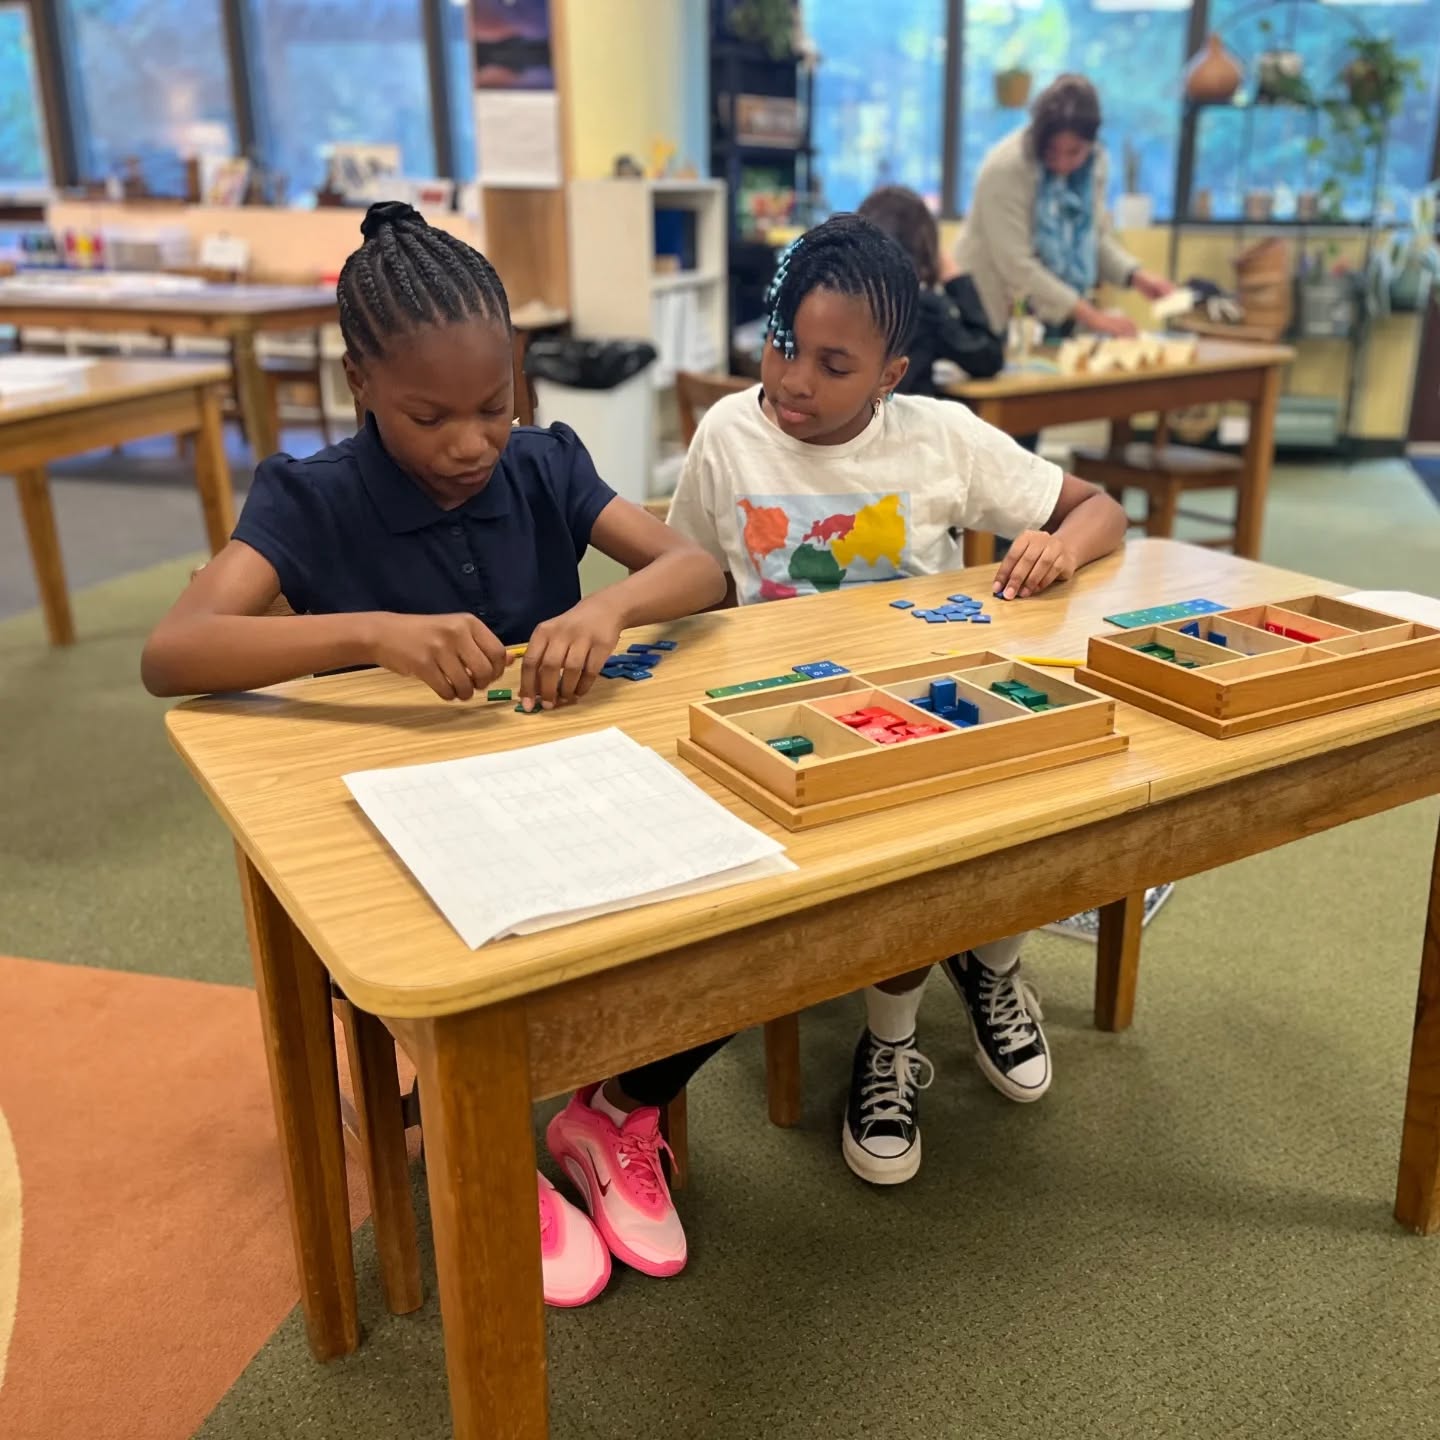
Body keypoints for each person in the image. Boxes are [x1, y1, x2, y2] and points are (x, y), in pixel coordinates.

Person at [141, 200, 728, 1308]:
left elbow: (698, 571)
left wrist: (608, 614)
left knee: (745, 914)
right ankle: (492, 1149)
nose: (467, 443)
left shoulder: (544, 466)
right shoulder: (309, 501)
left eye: (491, 407)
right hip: (397, 832)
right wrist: (369, 634)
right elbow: (174, 652)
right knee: (472, 969)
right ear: (359, 380)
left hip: (565, 794)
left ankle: (615, 1109)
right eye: (429, 416)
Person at [665, 213, 1128, 1186]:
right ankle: (910, 1018)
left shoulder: (941, 438)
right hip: (781, 721)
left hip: (918, 704)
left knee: (1028, 791)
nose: (795, 379)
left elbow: (1098, 507)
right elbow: (687, 577)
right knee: (897, 837)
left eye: (835, 364)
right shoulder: (726, 435)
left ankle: (968, 983)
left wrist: (1058, 546)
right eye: (784, 344)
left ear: (892, 375)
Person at [955, 74, 1173, 341]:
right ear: (1038, 137)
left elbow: (1092, 237)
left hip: (1057, 306)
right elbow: (1016, 264)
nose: (1062, 163)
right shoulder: (1007, 167)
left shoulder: (1095, 165)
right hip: (993, 305)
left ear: (1091, 143)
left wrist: (1136, 276)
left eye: (1074, 152)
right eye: (1052, 151)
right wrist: (1094, 317)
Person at [857, 185, 1003, 392]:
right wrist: (955, 278)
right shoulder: (924, 306)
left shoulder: (844, 299)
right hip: (902, 422)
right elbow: (988, 358)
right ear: (924, 243)